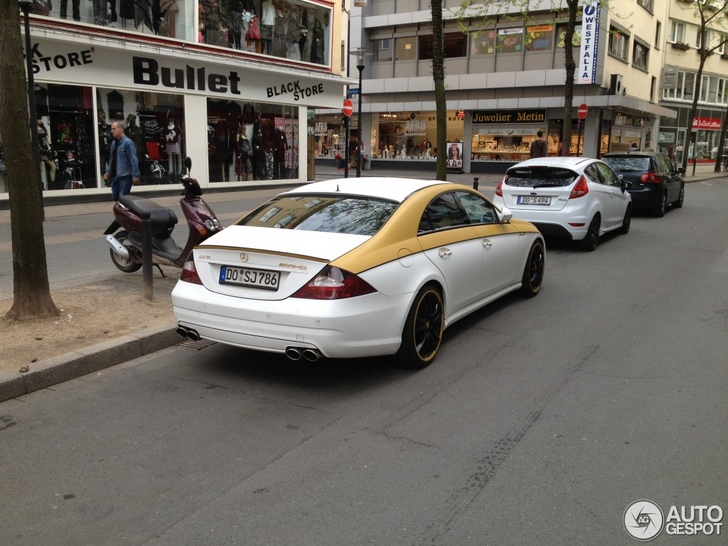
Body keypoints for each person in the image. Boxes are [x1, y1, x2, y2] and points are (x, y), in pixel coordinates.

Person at [104, 121, 140, 201]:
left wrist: (135, 175)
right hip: (115, 175)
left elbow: (133, 159)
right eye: (111, 129)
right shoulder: (114, 143)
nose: (111, 131)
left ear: (120, 129)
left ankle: (124, 212)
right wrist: (107, 172)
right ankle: (120, 212)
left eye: (114, 129)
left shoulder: (127, 143)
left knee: (123, 199)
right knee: (116, 197)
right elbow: (111, 159)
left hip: (125, 175)